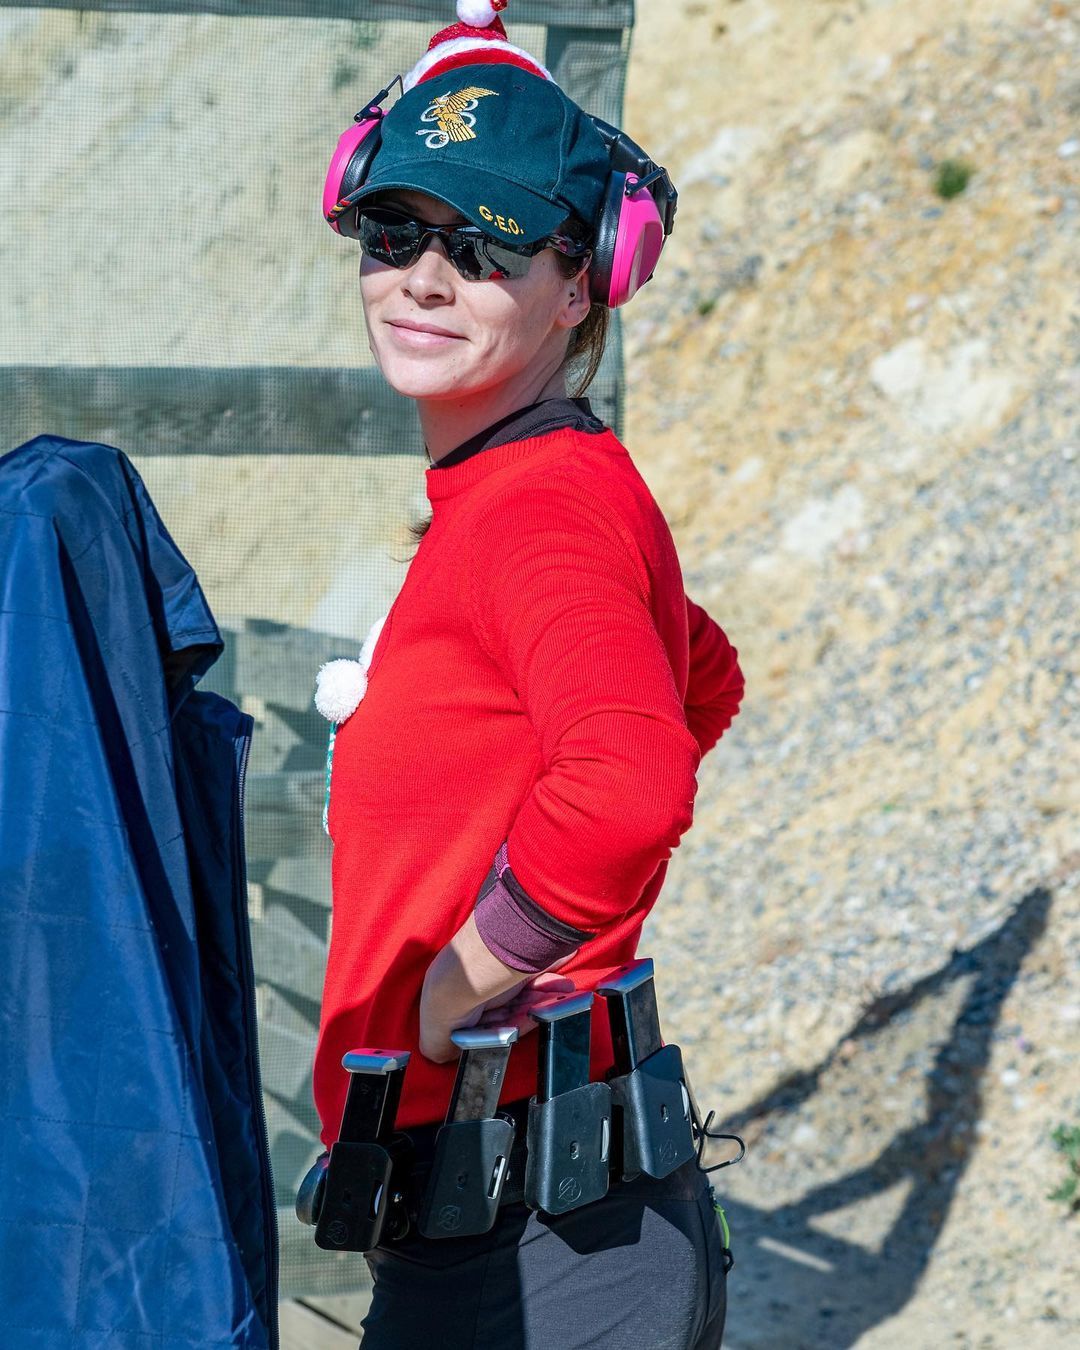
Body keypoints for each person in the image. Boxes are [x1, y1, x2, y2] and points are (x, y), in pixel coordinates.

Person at [310, 4, 745, 1346]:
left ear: (583, 279)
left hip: (537, 1248)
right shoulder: (527, 489)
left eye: (487, 244)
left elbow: (630, 778)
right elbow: (699, 676)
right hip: (516, 1226)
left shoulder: (540, 512)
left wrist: (462, 980)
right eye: (396, 231)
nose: (426, 278)